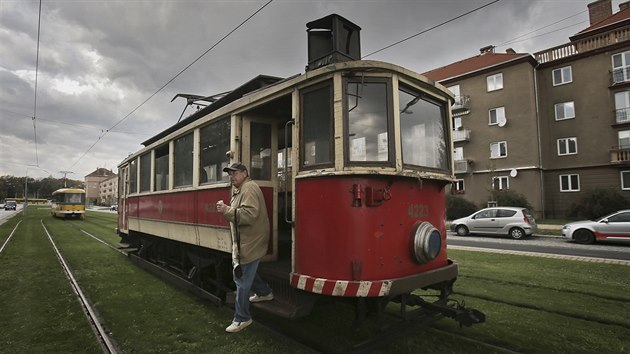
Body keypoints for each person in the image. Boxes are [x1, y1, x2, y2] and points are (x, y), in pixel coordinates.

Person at [216, 162, 274, 333]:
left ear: (244, 173)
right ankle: (265, 292)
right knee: (249, 272)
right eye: (230, 174)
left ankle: (242, 318)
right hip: (249, 241)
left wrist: (226, 210)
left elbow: (248, 215)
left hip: (250, 242)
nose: (231, 177)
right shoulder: (243, 188)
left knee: (240, 279)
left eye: (235, 173)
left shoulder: (248, 188)